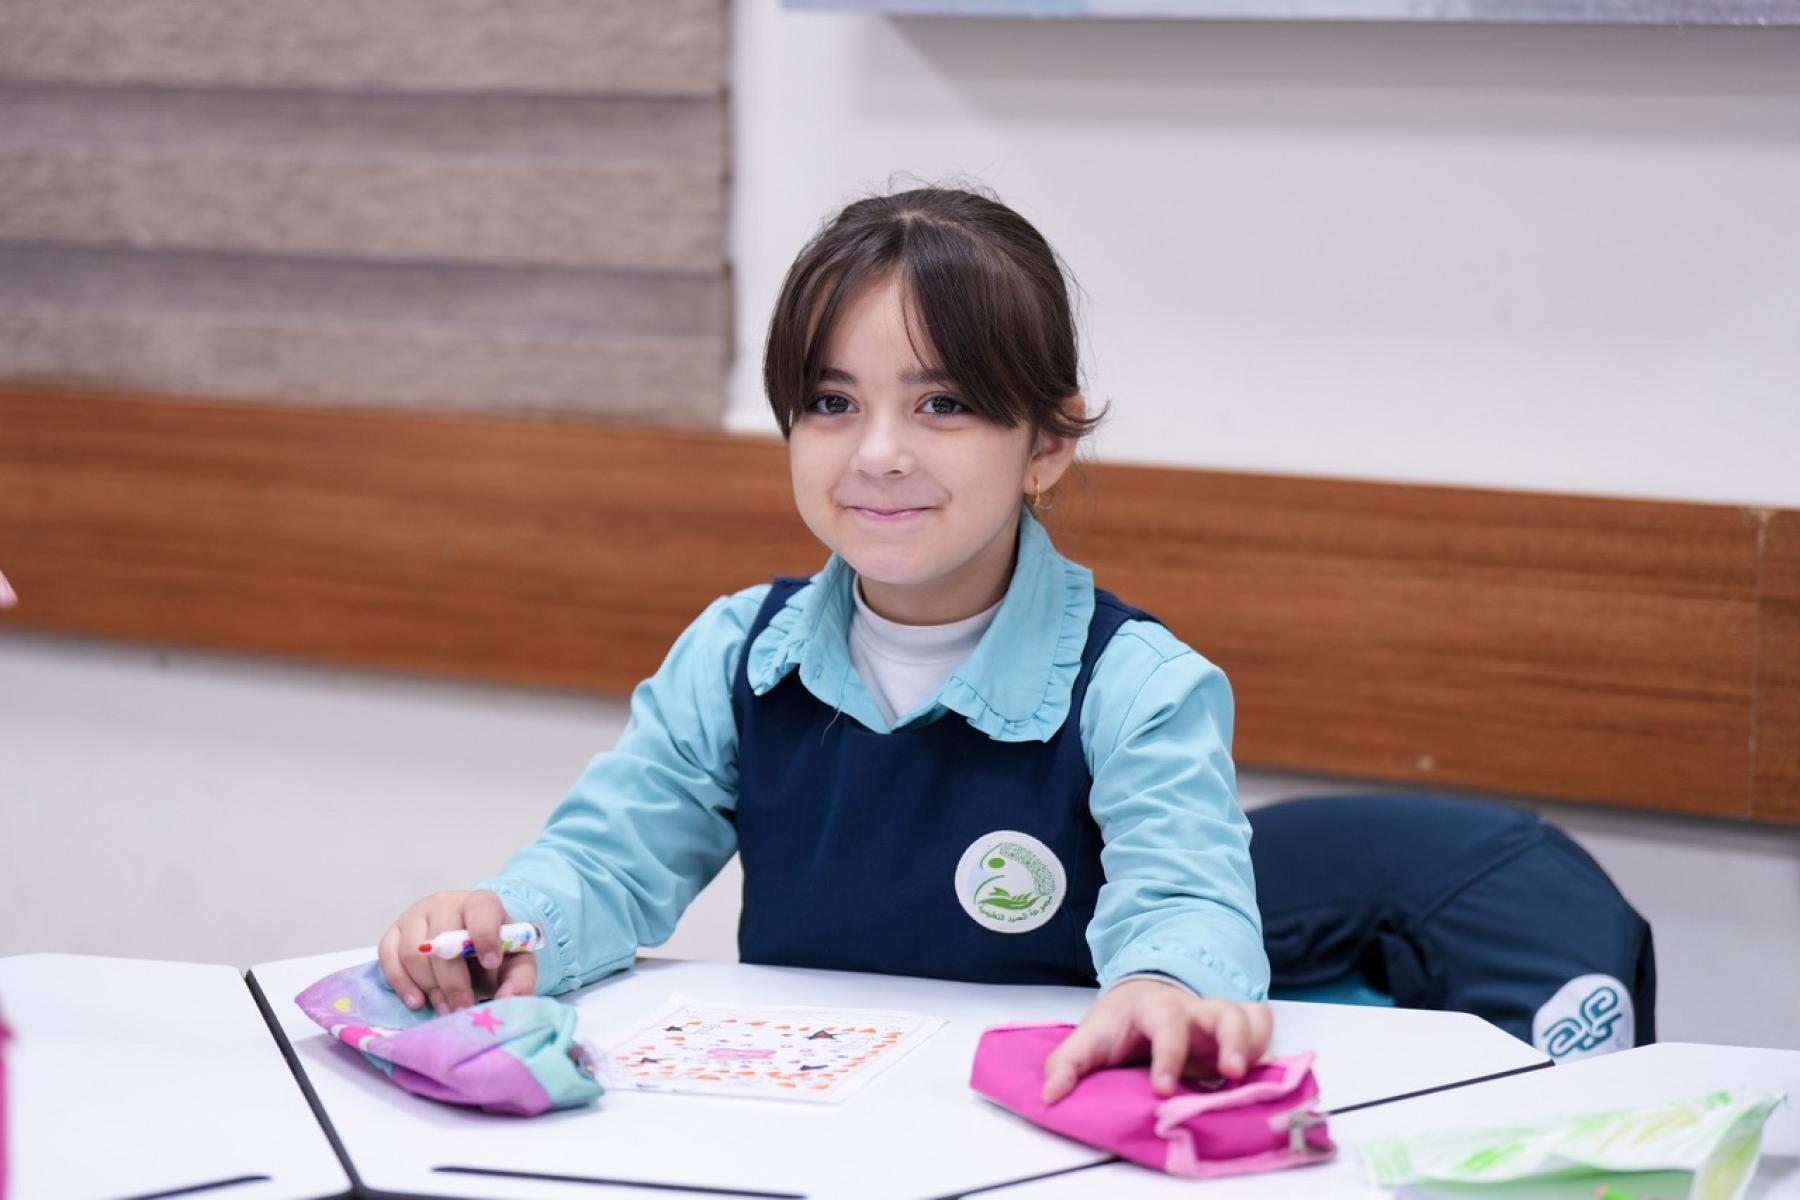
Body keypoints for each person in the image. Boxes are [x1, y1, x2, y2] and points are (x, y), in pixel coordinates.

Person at [377, 185, 1271, 1103]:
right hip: (792, 1126)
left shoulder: (1137, 687)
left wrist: (1166, 989)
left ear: (1045, 444)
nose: (878, 454)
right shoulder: (737, 651)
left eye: (943, 403)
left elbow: (1187, 907)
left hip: (1021, 1127)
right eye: (832, 401)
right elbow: (606, 864)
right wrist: (505, 923)